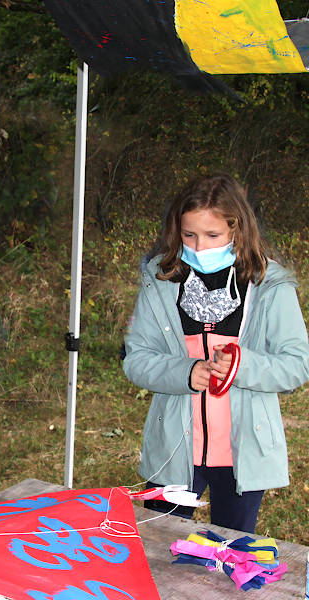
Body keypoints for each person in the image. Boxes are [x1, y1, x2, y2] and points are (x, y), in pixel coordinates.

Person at [123, 173, 309, 533]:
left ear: (236, 232)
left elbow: (297, 365)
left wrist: (243, 365)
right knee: (157, 545)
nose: (200, 247)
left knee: (233, 550)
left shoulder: (271, 286)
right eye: (189, 235)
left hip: (244, 455)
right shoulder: (159, 280)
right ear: (176, 231)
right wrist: (184, 372)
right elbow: (137, 359)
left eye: (213, 236)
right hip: (174, 451)